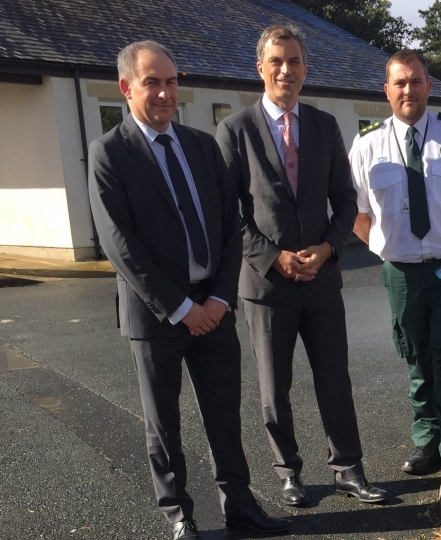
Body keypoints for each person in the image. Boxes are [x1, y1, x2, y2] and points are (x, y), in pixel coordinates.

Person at [87, 41, 291, 540]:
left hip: (215, 307)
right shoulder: (108, 154)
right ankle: (180, 516)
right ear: (125, 88)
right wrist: (181, 308)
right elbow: (120, 245)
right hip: (157, 315)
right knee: (164, 425)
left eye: (171, 82)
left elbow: (231, 226)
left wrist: (219, 300)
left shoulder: (201, 146)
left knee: (225, 414)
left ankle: (240, 507)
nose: (164, 93)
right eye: (152, 82)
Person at [216, 25, 387, 505]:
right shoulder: (234, 131)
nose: (285, 70)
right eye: (276, 61)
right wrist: (274, 258)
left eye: (293, 61)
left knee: (335, 377)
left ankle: (348, 468)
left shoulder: (324, 125)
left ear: (305, 70)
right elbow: (228, 214)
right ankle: (288, 471)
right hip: (266, 284)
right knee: (276, 386)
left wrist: (328, 248)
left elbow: (345, 200)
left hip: (321, 279)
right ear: (260, 68)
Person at [348, 49, 441, 486]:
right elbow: (355, 211)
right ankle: (427, 444)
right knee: (416, 359)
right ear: (387, 90)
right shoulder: (367, 144)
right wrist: (382, 246)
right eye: (400, 82)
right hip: (401, 273)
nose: (408, 90)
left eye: (416, 81)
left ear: (429, 87)